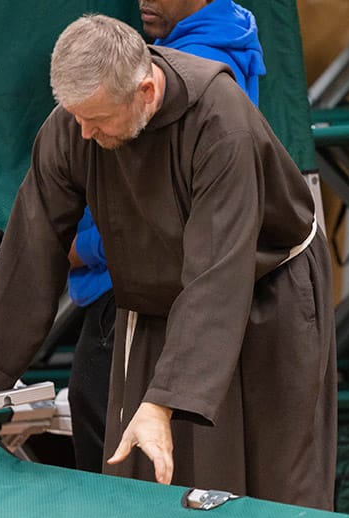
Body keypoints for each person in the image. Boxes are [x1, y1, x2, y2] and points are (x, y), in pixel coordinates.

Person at [0, 14, 336, 518]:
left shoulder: (222, 120)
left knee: (270, 495)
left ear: (145, 91)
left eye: (95, 120)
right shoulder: (75, 123)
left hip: (269, 296)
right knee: (148, 493)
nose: (84, 135)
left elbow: (218, 273)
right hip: (159, 298)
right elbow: (34, 238)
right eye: (77, 119)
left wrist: (164, 400)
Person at [66, 0, 266, 473]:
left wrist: (87, 249)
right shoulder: (221, 45)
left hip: (129, 295)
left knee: (112, 460)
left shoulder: (188, 78)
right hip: (146, 290)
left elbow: (164, 219)